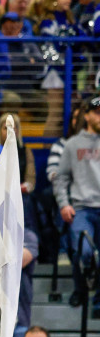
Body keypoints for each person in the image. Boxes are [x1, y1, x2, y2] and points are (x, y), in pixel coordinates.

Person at [53, 95, 100, 317]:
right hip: (82, 207)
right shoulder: (72, 145)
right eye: (97, 112)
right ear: (88, 115)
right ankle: (81, 288)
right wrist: (64, 204)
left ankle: (97, 301)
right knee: (84, 251)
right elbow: (60, 178)